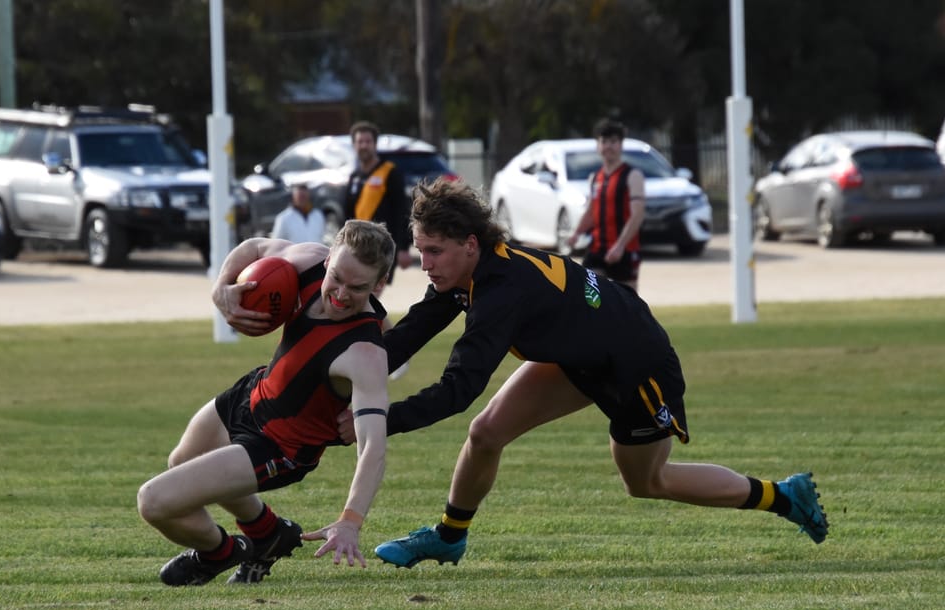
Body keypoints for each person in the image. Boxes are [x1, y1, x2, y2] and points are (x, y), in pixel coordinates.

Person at [335, 178, 827, 569]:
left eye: (434, 251)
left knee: (647, 481)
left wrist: (377, 420)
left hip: (634, 364)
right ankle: (449, 537)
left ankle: (783, 496)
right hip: (580, 355)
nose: (424, 264)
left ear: (469, 244)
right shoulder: (466, 273)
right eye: (420, 250)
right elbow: (409, 334)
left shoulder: (501, 292)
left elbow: (459, 388)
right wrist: (332, 366)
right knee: (486, 433)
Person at [137, 220, 396, 585]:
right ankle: (268, 533)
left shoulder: (365, 353)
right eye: (336, 278)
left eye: (357, 288)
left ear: (379, 285)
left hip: (280, 448)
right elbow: (255, 247)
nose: (340, 295)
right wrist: (222, 287)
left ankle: (220, 553)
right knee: (180, 461)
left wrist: (350, 521)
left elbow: (373, 448)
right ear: (328, 259)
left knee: (154, 501)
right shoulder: (309, 260)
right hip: (253, 393)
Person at [568, 118, 646, 292]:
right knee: (590, 297)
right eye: (604, 141)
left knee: (627, 301)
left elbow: (638, 214)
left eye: (613, 141)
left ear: (621, 145)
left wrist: (620, 246)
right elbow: (591, 211)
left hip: (625, 250)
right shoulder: (595, 177)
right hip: (597, 248)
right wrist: (576, 233)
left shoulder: (632, 175)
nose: (608, 146)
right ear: (598, 146)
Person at [345, 120, 411, 284]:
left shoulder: (389, 172)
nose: (364, 145)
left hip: (383, 246)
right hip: (358, 247)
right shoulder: (354, 177)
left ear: (375, 144)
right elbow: (347, 216)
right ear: (354, 145)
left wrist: (403, 247)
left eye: (368, 141)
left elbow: (402, 210)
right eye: (360, 142)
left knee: (371, 290)